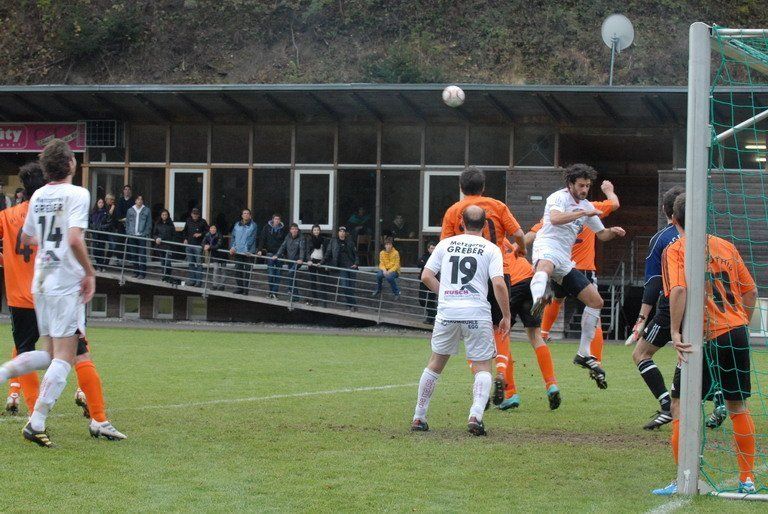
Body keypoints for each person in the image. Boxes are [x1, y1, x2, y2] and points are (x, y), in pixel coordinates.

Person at [0, 141, 124, 447]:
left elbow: (27, 237)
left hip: (41, 281)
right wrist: (89, 272)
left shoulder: (39, 195)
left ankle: (4, 375)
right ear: (70, 163)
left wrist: (48, 242)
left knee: (51, 355)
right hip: (65, 282)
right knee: (67, 357)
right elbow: (73, 239)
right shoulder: (78, 194)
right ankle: (37, 421)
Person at [652, 193, 757, 496]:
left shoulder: (676, 249)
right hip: (735, 333)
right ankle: (747, 479)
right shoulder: (726, 246)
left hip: (701, 337)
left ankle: (684, 479)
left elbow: (679, 290)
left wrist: (674, 331)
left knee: (681, 405)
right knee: (737, 405)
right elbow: (750, 293)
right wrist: (739, 323)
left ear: (674, 219)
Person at [411, 205, 511, 436]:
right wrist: (506, 315)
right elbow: (498, 283)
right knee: (482, 366)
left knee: (435, 364)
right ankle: (475, 415)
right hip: (476, 313)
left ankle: (419, 416)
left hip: (448, 312)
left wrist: (446, 294)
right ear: (485, 225)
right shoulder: (491, 248)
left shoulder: (445, 244)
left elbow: (426, 276)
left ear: (461, 223)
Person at [528, 164, 625, 389]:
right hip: (547, 246)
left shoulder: (587, 205)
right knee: (545, 267)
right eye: (581, 185)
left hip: (565, 258)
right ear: (570, 184)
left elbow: (602, 234)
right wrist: (583, 213)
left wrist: (613, 232)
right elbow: (555, 219)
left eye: (587, 186)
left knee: (596, 302)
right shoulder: (558, 197)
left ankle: (583, 353)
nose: (584, 190)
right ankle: (537, 301)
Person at [440, 166, 527, 406]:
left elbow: (445, 246)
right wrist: (521, 249)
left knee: (472, 332)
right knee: (501, 328)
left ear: (461, 187)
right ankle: (503, 376)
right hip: (498, 273)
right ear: (484, 187)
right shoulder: (497, 206)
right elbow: (519, 233)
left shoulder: (454, 211)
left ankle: (483, 385)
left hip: (469, 280)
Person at [627, 186, 683, 430]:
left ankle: (667, 405)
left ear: (664, 210)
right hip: (703, 306)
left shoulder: (661, 240)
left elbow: (653, 283)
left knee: (641, 354)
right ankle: (722, 404)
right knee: (699, 355)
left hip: (671, 306)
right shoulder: (706, 238)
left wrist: (641, 320)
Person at [493, 239, 561, 411]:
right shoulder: (504, 239)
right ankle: (551, 384)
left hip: (510, 283)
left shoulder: (486, 242)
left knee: (501, 336)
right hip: (530, 280)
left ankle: (510, 393)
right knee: (536, 336)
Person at [321, 226, 359, 311]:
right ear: (338, 233)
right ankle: (353, 305)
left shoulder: (350, 241)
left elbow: (356, 254)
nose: (342, 233)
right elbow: (328, 253)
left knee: (351, 287)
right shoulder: (334, 241)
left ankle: (350, 306)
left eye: (343, 231)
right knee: (345, 286)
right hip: (342, 267)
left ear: (345, 233)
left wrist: (356, 264)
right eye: (340, 231)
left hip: (351, 266)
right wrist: (321, 262)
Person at [229, 208, 258, 295]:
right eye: (244, 213)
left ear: (250, 215)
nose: (246, 215)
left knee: (247, 272)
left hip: (248, 253)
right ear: (242, 215)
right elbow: (233, 236)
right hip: (238, 252)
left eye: (247, 213)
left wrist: (246, 250)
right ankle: (240, 288)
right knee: (238, 271)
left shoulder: (253, 225)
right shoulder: (237, 224)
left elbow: (251, 239)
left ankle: (246, 290)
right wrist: (232, 247)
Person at [258, 213, 287, 299]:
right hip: (270, 253)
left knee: (278, 274)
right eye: (275, 219)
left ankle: (274, 293)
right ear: (272, 219)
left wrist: (284, 253)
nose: (277, 221)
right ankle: (271, 292)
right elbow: (262, 239)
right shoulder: (267, 228)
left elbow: (285, 242)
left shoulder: (283, 229)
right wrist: (259, 249)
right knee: (270, 273)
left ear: (280, 220)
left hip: (279, 254)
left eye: (278, 219)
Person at [125, 194, 152, 279]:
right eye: (138, 199)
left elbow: (149, 224)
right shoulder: (130, 210)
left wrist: (145, 233)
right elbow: (127, 223)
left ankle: (142, 273)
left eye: (141, 199)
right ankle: (135, 272)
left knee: (142, 255)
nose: (139, 201)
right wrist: (128, 232)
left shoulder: (147, 210)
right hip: (132, 235)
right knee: (134, 254)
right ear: (135, 201)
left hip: (141, 236)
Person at [182, 207, 208, 287]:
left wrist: (200, 234)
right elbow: (184, 231)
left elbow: (208, 232)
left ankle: (198, 282)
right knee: (191, 263)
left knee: (199, 264)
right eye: (194, 214)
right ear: (191, 214)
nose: (195, 215)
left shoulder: (203, 222)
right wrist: (185, 239)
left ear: (199, 215)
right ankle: (192, 280)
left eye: (196, 214)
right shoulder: (188, 221)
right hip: (189, 245)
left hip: (198, 246)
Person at [153, 208, 178, 284]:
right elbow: (154, 234)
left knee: (168, 262)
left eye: (166, 215)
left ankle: (168, 277)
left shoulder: (170, 224)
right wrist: (156, 238)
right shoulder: (158, 223)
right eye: (163, 215)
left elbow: (174, 235)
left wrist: (171, 243)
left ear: (168, 216)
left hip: (168, 246)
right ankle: (164, 277)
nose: (164, 216)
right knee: (163, 262)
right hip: (160, 246)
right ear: (161, 215)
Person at [306, 224, 327, 305]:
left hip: (320, 261)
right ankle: (315, 299)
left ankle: (324, 300)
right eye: (314, 230)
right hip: (312, 261)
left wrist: (322, 262)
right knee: (312, 281)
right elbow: (307, 251)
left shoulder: (323, 239)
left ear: (320, 231)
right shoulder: (309, 239)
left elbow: (325, 252)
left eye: (318, 230)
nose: (316, 231)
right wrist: (309, 260)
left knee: (322, 281)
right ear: (312, 231)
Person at [418, 242, 437, 323]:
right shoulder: (425, 256)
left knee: (431, 300)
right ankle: (434, 313)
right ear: (428, 249)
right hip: (424, 280)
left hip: (434, 280)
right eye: (432, 248)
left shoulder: (437, 257)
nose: (433, 250)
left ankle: (430, 319)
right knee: (422, 300)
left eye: (434, 248)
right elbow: (419, 263)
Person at [89, 198, 109, 270]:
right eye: (99, 202)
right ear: (97, 204)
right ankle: (98, 264)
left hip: (102, 234)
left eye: (102, 203)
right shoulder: (93, 213)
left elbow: (108, 224)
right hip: (95, 234)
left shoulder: (106, 213)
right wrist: (93, 228)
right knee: (95, 251)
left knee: (101, 250)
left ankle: (100, 265)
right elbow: (90, 223)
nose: (101, 204)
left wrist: (101, 228)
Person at [203, 224, 224, 290]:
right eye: (211, 228)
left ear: (216, 229)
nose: (213, 229)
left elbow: (218, 245)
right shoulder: (207, 235)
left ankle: (222, 286)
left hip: (223, 254)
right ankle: (215, 285)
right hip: (215, 255)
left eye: (214, 228)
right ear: (209, 229)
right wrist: (205, 246)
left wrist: (209, 247)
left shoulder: (220, 235)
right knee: (215, 269)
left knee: (223, 270)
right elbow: (203, 243)